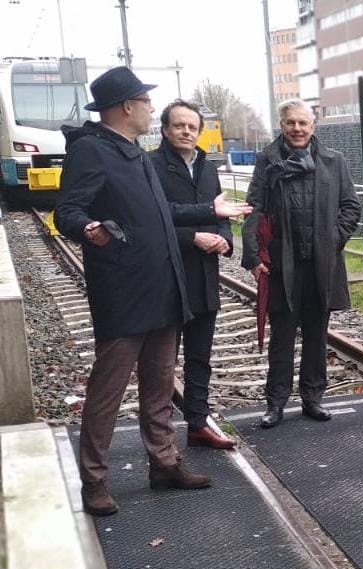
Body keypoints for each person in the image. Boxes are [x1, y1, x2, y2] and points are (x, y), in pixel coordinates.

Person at [54, 66, 252, 517]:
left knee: (160, 381)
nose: (149, 109)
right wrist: (87, 227)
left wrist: (208, 209)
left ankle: (163, 463)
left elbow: (161, 213)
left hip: (164, 288)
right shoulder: (91, 151)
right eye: (144, 102)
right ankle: (94, 481)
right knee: (109, 389)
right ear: (126, 107)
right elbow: (67, 211)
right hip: (124, 291)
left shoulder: (133, 153)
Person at [242, 99, 361, 429]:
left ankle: (313, 398)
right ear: (282, 126)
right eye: (290, 123)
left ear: (313, 126)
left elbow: (351, 208)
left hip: (321, 264)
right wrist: (253, 257)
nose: (297, 128)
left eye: (303, 123)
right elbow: (254, 208)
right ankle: (276, 402)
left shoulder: (333, 161)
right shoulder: (268, 159)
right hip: (282, 265)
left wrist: (331, 240)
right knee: (282, 337)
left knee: (316, 335)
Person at [150, 100, 235, 450]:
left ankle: (198, 424)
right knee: (162, 361)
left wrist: (225, 241)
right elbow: (152, 217)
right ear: (165, 130)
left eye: (192, 127)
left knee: (201, 355)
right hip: (168, 278)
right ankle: (159, 434)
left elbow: (220, 213)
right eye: (179, 126)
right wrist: (192, 237)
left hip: (204, 276)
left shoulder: (207, 167)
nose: (186, 132)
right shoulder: (150, 166)